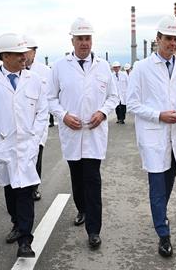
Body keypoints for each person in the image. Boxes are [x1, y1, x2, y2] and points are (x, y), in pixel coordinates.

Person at [0, 33, 48, 258]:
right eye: (18, 54)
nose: (23, 57)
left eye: (24, 53)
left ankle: (25, 240)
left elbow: (42, 112)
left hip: (27, 146)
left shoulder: (34, 79)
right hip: (3, 145)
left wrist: (35, 139)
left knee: (26, 191)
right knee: (10, 189)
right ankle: (16, 223)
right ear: (5, 55)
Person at [127, 15, 176, 257]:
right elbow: (132, 103)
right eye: (168, 39)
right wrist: (158, 115)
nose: (172, 43)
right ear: (158, 39)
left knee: (168, 183)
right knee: (157, 186)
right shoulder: (141, 68)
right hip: (154, 136)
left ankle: (159, 215)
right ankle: (163, 234)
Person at [50, 18, 118, 249]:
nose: (84, 43)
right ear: (72, 40)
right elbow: (50, 98)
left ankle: (93, 230)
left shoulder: (103, 66)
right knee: (77, 180)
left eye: (87, 38)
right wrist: (64, 115)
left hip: (94, 132)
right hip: (72, 132)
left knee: (92, 180)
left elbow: (113, 97)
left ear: (92, 40)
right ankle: (81, 208)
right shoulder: (59, 66)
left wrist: (103, 112)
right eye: (80, 38)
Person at [23, 35, 53, 201]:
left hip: (38, 122)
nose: (24, 55)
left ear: (34, 53)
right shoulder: (16, 70)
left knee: (36, 154)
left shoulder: (45, 72)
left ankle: (34, 187)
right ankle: (21, 188)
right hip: (19, 121)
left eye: (27, 52)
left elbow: (50, 95)